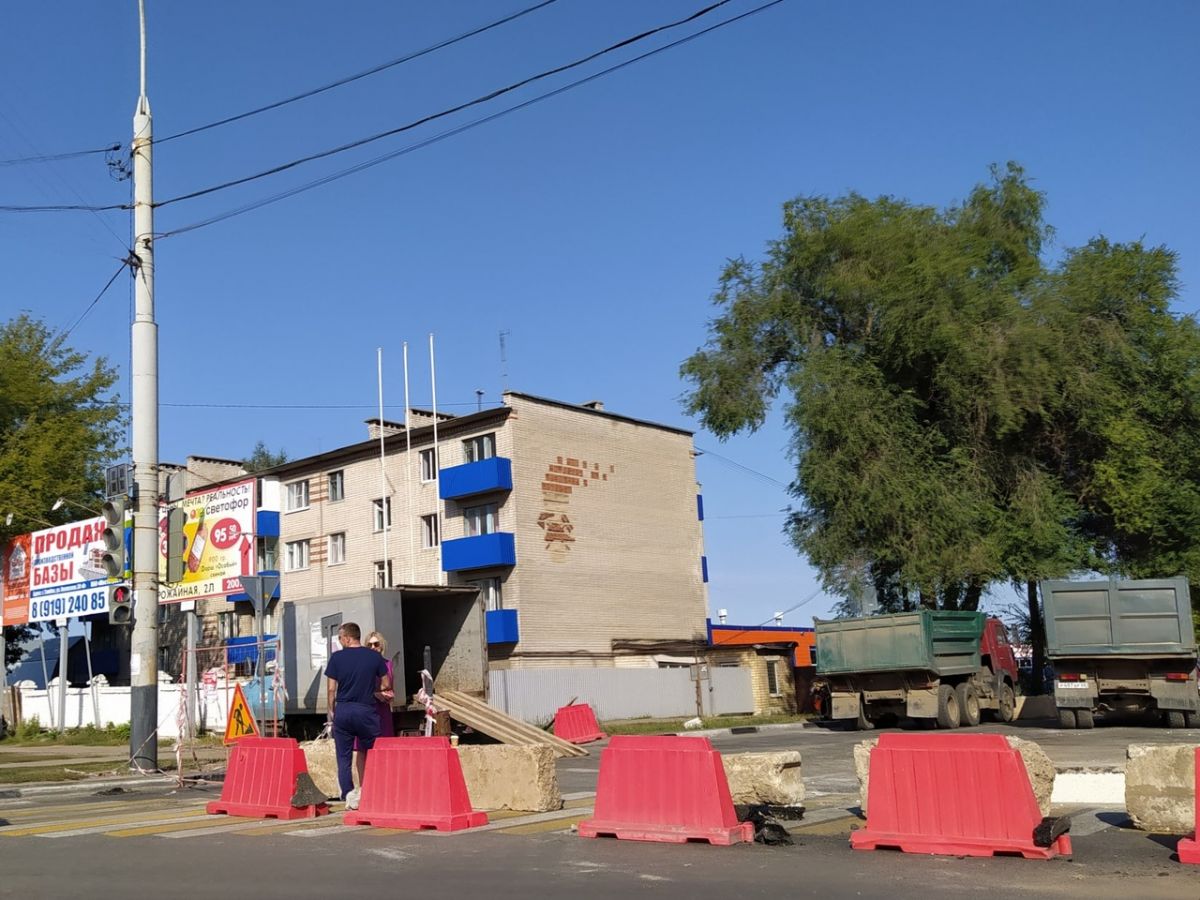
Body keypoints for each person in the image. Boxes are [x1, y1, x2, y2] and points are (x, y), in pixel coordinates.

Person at [325, 622, 391, 806]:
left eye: (340, 638)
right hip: (366, 710)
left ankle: (348, 796)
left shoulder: (336, 658)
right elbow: (386, 684)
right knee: (374, 751)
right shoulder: (373, 657)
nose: (340, 641)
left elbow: (331, 690)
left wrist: (332, 712)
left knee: (344, 757)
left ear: (347, 638)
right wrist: (372, 687)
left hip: (344, 711)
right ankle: (377, 790)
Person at [355, 631, 395, 752]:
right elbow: (358, 689)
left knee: (385, 746)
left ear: (381, 645)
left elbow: (391, 687)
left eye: (376, 644)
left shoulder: (388, 664)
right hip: (368, 709)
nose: (373, 647)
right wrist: (376, 694)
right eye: (369, 645)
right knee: (366, 748)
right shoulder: (362, 665)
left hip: (383, 710)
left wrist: (390, 695)